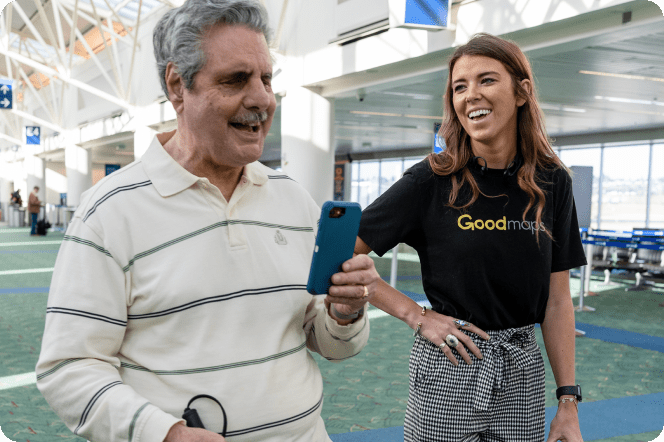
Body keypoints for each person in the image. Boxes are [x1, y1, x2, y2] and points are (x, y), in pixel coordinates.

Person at [36, 1, 378, 441]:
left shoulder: (292, 199)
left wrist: (344, 314)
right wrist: (165, 434)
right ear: (177, 85)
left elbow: (325, 339)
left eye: (267, 78)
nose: (261, 99)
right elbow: (69, 367)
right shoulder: (109, 212)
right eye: (236, 79)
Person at [352, 33, 586, 442]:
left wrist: (567, 400)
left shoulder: (553, 182)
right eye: (460, 86)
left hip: (521, 370)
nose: (470, 95)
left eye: (487, 80)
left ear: (521, 92)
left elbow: (557, 299)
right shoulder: (431, 179)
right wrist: (416, 315)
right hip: (449, 364)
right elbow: (340, 252)